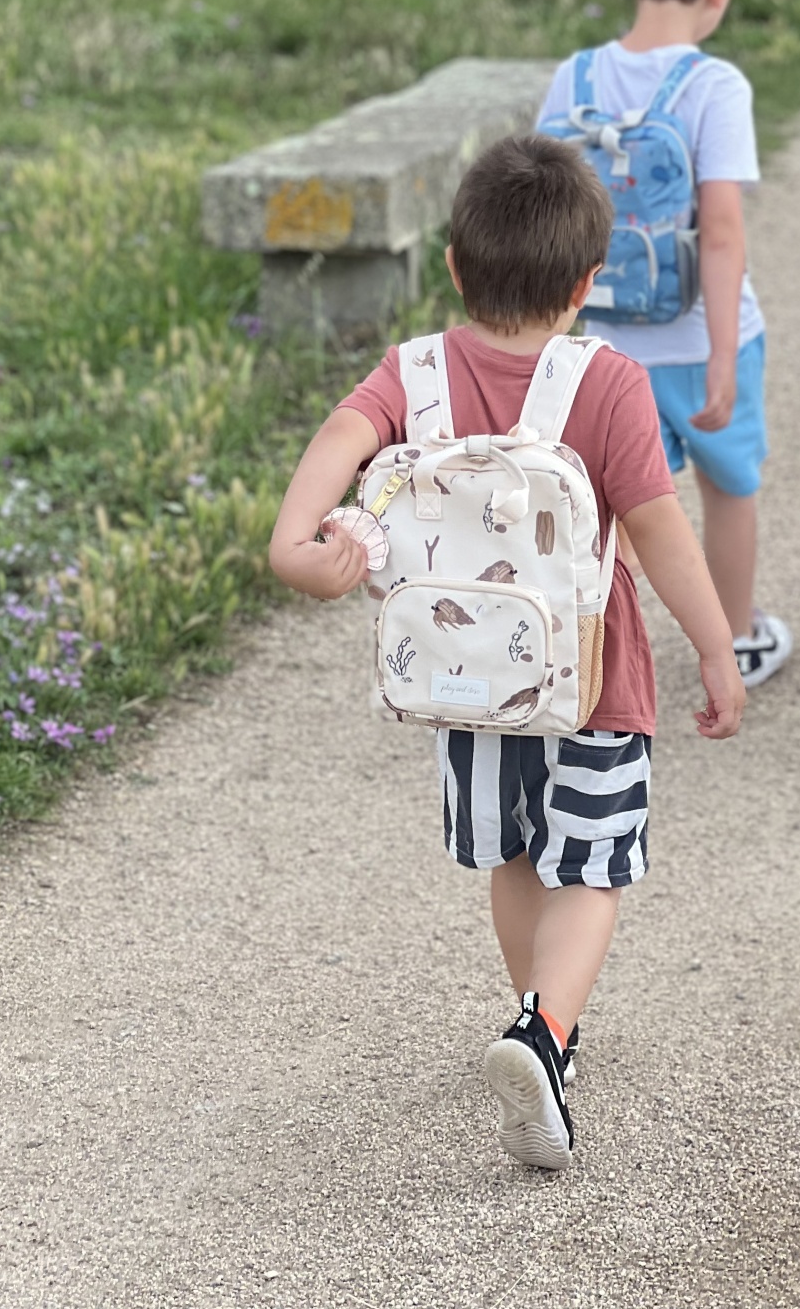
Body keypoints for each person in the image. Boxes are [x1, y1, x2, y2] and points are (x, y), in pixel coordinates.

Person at [269, 135, 746, 1169]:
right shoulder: (608, 383)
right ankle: (544, 1032)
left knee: (518, 854)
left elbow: (341, 441)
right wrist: (716, 645)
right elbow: (660, 531)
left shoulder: (413, 372)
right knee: (592, 868)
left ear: (453, 266)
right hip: (593, 678)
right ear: (586, 283)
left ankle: (537, 1020)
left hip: (467, 682)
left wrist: (296, 543)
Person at [537, 0, 790, 689]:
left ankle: (588, 647)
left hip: (607, 346)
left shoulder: (573, 81)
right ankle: (738, 638)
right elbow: (721, 231)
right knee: (728, 486)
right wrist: (721, 354)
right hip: (701, 336)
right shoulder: (715, 88)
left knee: (610, 501)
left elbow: (543, 216)